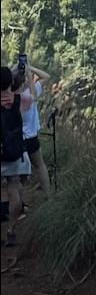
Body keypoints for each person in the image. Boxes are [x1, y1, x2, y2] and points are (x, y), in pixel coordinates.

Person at [1, 65, 34, 248]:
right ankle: (11, 231)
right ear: (11, 82)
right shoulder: (20, 99)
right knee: (14, 188)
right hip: (15, 154)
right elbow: (34, 98)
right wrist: (27, 75)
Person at [16, 60, 52, 197]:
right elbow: (46, 76)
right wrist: (30, 69)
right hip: (31, 138)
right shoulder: (31, 93)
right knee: (40, 165)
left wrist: (16, 67)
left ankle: (19, 204)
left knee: (18, 176)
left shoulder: (12, 97)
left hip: (16, 140)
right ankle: (47, 195)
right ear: (25, 79)